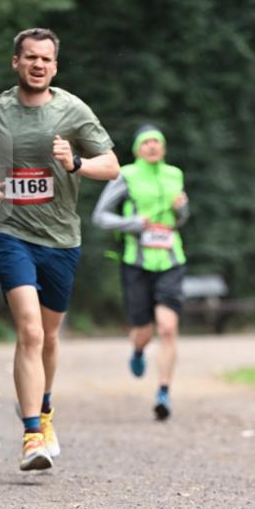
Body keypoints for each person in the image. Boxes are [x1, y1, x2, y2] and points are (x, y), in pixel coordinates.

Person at [0, 28, 119, 471]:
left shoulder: (73, 110)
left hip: (62, 239)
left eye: (46, 59)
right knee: (29, 330)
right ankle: (32, 436)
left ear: (55, 65)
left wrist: (76, 163)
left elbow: (112, 166)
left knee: (48, 336)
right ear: (16, 62)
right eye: (30, 57)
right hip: (10, 232)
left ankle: (44, 410)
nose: (38, 65)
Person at [92, 124, 189, 420]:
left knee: (168, 328)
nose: (151, 147)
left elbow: (181, 219)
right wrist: (133, 223)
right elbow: (100, 217)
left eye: (156, 142)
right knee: (144, 332)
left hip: (171, 259)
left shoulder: (175, 174)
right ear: (137, 149)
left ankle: (163, 393)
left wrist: (182, 209)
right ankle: (137, 351)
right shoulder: (125, 175)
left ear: (163, 148)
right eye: (145, 143)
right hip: (136, 261)